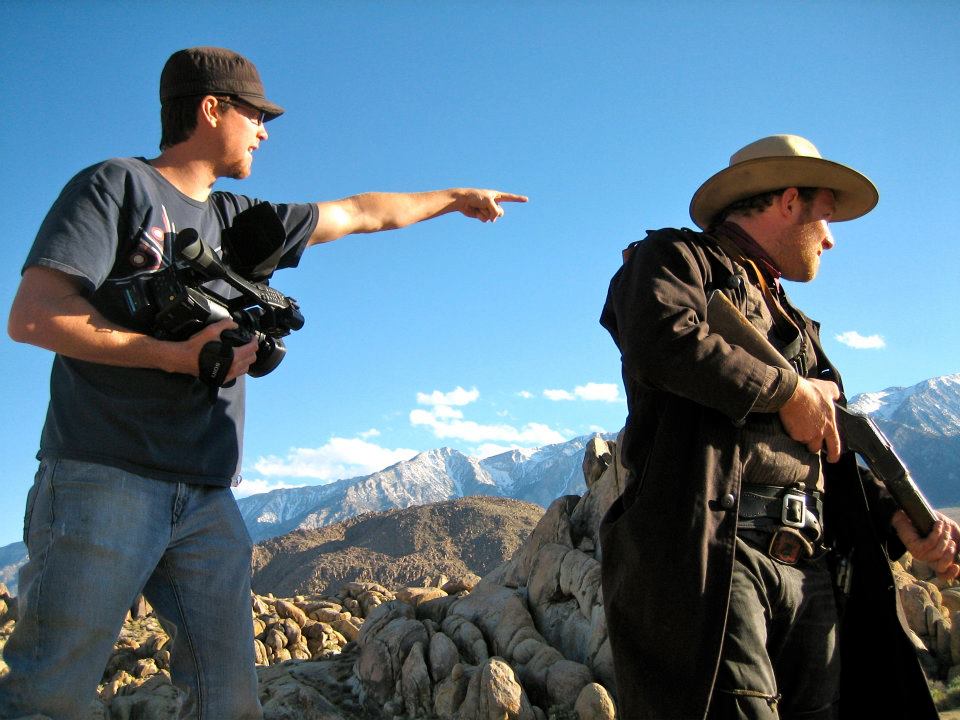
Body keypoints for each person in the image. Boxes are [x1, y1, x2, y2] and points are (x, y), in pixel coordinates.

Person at [0, 46, 526, 720]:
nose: (265, 130)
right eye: (255, 113)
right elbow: (34, 314)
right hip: (102, 478)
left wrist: (455, 199)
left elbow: (361, 212)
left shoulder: (242, 222)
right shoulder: (115, 187)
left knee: (229, 700)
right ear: (210, 108)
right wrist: (174, 356)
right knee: (50, 695)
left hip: (207, 497)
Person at [598, 134, 959, 720]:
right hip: (718, 557)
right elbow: (659, 338)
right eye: (826, 215)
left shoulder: (794, 321)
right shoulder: (674, 259)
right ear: (789, 202)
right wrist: (787, 391)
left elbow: (824, 456)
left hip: (808, 566)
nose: (831, 238)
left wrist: (895, 519)